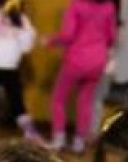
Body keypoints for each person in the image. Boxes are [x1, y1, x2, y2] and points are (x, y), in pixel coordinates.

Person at [45, 0, 117, 154]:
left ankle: (58, 140)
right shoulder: (109, 6)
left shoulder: (76, 5)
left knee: (59, 99)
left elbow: (68, 35)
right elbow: (112, 37)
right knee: (85, 101)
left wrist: (51, 40)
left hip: (77, 58)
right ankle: (79, 143)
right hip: (98, 59)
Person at [0, 0, 39, 144]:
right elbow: (27, 46)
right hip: (9, 66)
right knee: (16, 99)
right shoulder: (22, 20)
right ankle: (29, 131)